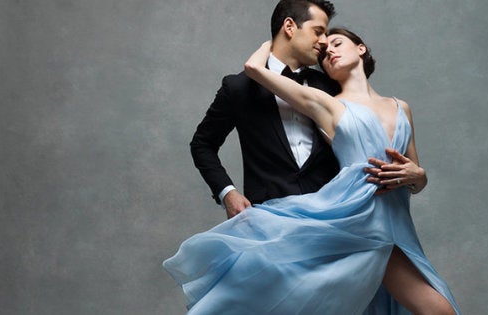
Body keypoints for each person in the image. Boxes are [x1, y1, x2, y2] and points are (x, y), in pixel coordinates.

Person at [164, 23, 461, 315]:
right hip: (360, 220)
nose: (328, 51)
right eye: (323, 51)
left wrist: (419, 177)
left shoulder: (400, 106)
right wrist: (276, 39)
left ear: (361, 48)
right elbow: (254, 68)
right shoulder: (330, 104)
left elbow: (414, 175)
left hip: (398, 220)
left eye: (337, 44)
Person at [190, 0, 414, 220]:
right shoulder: (238, 87)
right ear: (289, 27)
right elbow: (202, 144)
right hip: (267, 218)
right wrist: (227, 193)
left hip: (333, 216)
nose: (324, 42)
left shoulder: (331, 85)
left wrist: (414, 177)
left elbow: (370, 139)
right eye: (318, 31)